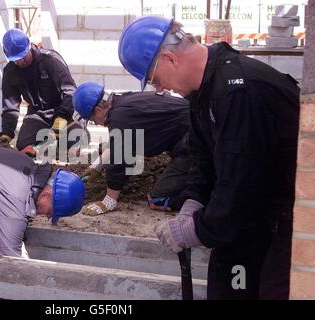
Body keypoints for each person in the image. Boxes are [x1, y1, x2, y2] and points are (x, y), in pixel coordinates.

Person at [118, 16, 300, 299]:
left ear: (170, 59)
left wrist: (198, 229)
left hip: (287, 215)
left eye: (155, 80)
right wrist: (194, 202)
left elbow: (241, 184)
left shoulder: (238, 91)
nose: (160, 89)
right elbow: (202, 157)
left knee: (269, 290)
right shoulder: (203, 92)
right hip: (251, 213)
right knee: (226, 282)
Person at [73, 82, 191, 216]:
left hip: (194, 143)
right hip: (190, 130)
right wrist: (98, 165)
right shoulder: (122, 102)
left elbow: (120, 160)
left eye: (93, 120)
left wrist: (110, 200)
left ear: (99, 111)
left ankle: (202, 196)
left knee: (157, 200)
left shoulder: (119, 119)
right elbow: (121, 141)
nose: (97, 124)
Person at [0, 28, 86, 158]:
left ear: (29, 46)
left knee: (68, 147)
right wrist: (7, 133)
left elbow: (70, 91)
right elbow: (10, 106)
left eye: (22, 56)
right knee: (23, 145)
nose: (20, 62)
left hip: (64, 109)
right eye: (16, 59)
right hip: (39, 113)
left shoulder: (50, 60)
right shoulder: (10, 72)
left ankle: (77, 132)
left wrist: (62, 117)